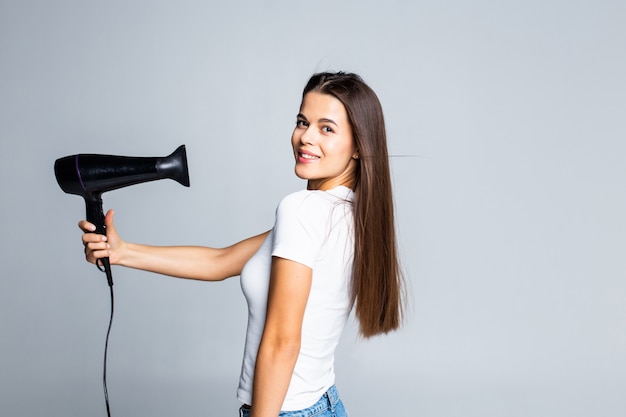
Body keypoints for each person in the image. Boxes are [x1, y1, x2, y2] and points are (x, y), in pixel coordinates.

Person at [80, 71, 405, 417]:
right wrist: (123, 251)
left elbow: (283, 342)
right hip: (323, 404)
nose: (306, 137)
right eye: (302, 122)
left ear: (358, 146)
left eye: (327, 128)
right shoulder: (349, 212)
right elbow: (221, 261)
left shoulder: (302, 211)